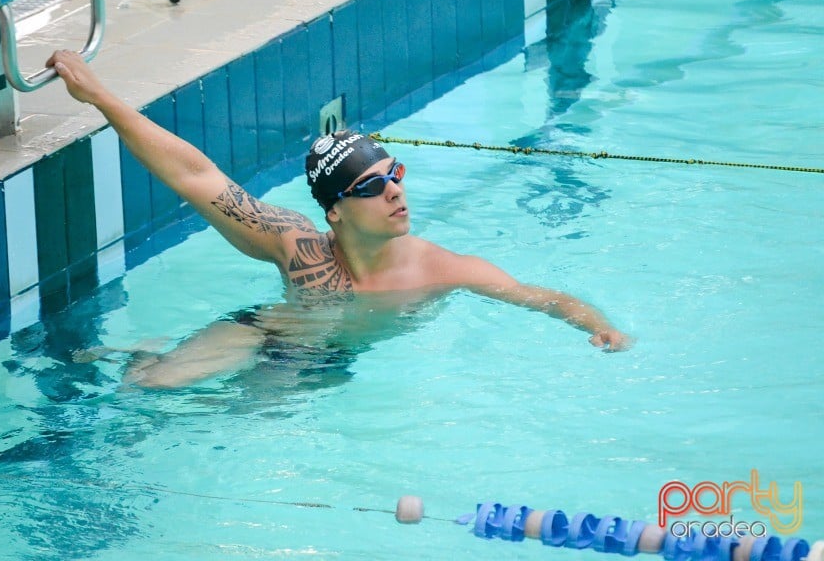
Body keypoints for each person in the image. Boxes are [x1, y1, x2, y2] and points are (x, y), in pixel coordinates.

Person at [48, 50, 632, 388]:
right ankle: (145, 354)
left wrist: (596, 325)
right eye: (372, 186)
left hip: (331, 360)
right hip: (272, 329)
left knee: (253, 421)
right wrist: (102, 97)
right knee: (148, 388)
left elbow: (543, 298)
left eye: (395, 175)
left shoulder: (444, 269)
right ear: (335, 212)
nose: (395, 192)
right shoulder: (294, 243)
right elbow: (196, 176)